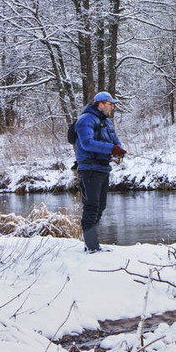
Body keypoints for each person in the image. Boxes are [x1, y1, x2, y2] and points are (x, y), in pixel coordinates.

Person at [74, 91, 126, 252]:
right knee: (91, 206)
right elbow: (87, 143)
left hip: (103, 168)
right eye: (110, 104)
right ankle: (91, 246)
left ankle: (91, 243)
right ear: (101, 104)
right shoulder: (85, 120)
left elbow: (114, 141)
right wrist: (111, 148)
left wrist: (118, 152)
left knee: (101, 206)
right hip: (89, 169)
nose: (112, 107)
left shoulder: (108, 122)